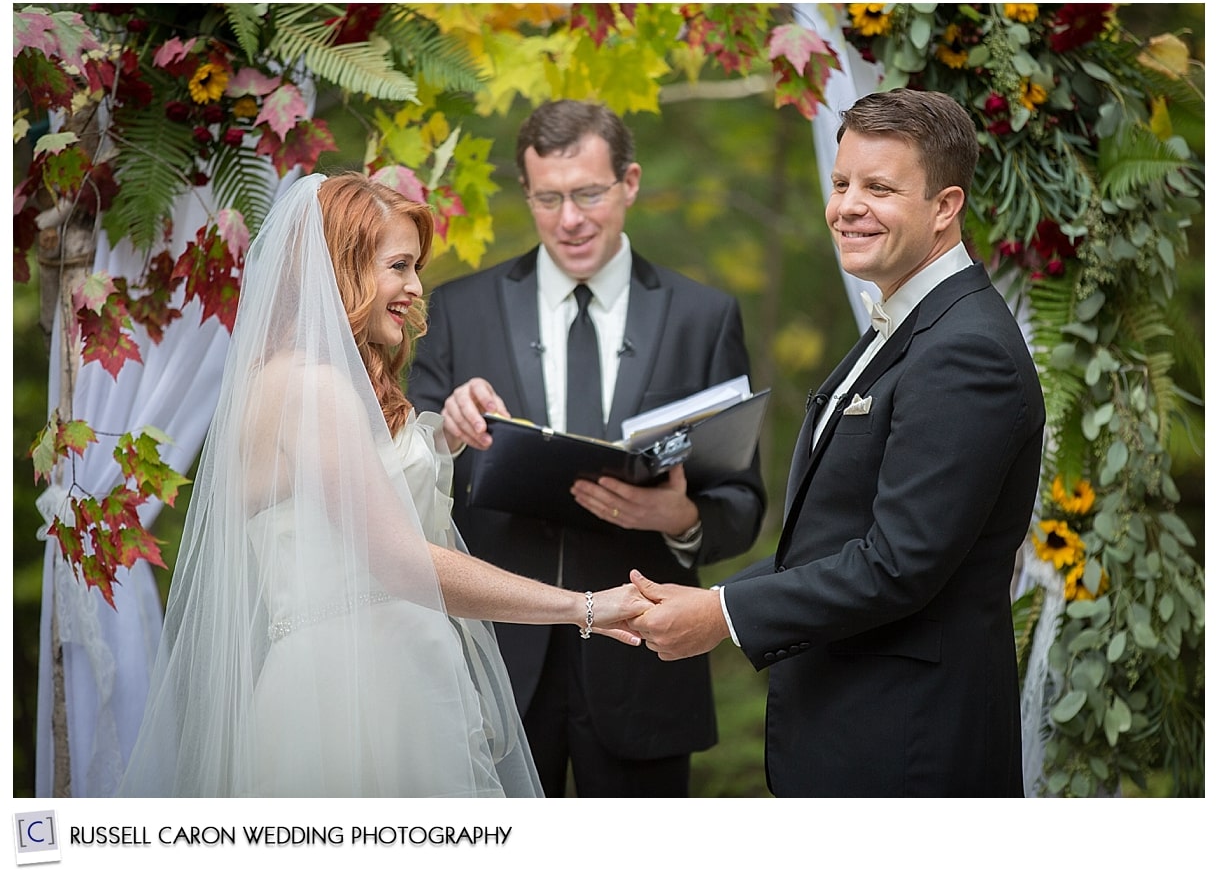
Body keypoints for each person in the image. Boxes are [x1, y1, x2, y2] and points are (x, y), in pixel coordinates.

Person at [117, 172, 649, 798]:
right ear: (342, 270)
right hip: (351, 700)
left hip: (388, 679)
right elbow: (399, 560)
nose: (416, 287)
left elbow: (355, 501)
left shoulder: (301, 381)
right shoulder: (309, 387)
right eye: (399, 265)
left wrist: (443, 434)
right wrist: (583, 607)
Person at [627, 89, 1045, 797]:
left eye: (878, 187)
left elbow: (898, 563)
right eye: (842, 182)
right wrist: (720, 595)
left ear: (945, 207)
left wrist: (723, 614)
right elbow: (837, 536)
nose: (848, 205)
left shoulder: (964, 350)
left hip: (909, 747)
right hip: (855, 727)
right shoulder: (910, 322)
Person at [407, 99, 765, 797]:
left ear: (629, 182)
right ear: (528, 194)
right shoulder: (456, 310)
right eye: (549, 199)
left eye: (588, 194)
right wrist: (445, 432)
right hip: (493, 667)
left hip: (647, 663)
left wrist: (681, 520)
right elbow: (398, 496)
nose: (569, 219)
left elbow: (743, 504)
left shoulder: (703, 316)